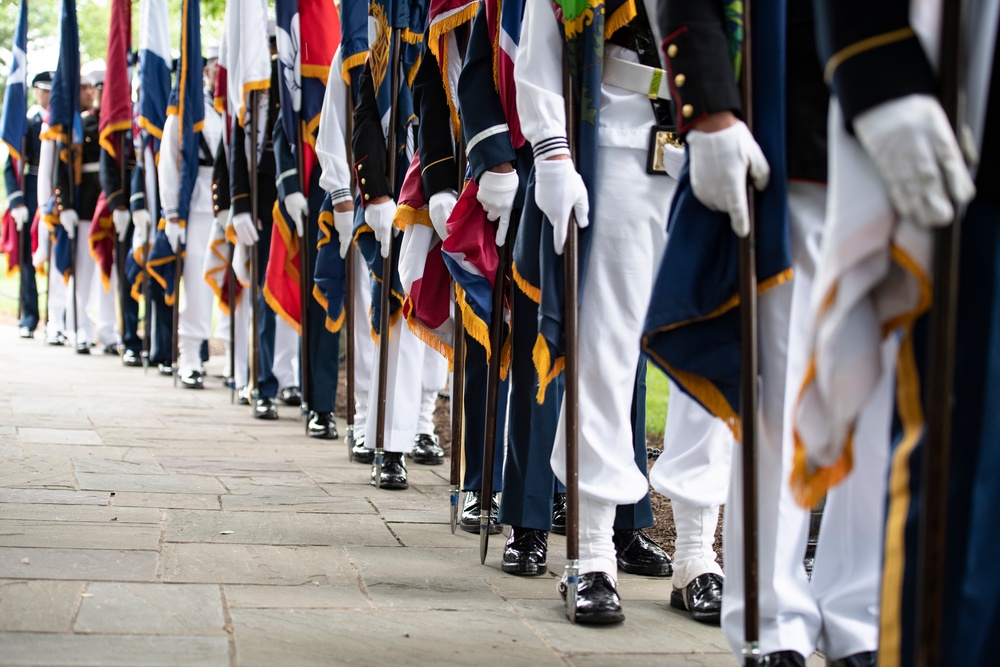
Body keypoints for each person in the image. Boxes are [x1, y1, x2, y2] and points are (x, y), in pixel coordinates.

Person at [514, 0, 680, 623]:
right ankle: (592, 555)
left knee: (715, 355)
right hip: (617, 129)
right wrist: (553, 151)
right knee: (605, 355)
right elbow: (540, 38)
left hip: (710, 131)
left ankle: (698, 554)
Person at [158, 52, 222, 388]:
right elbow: (168, 162)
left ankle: (238, 363)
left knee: (230, 285)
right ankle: (190, 356)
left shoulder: (235, 102)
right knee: (196, 287)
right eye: (214, 68)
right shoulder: (185, 108)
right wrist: (172, 212)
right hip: (197, 207)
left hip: (228, 205)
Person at [5, 71, 51, 339]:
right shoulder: (25, 122)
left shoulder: (59, 121)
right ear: (35, 92)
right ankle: (30, 317)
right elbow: (10, 167)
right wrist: (17, 201)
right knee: (26, 259)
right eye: (43, 90)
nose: (47, 95)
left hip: (50, 195)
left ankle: (56, 319)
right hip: (30, 190)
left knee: (54, 255)